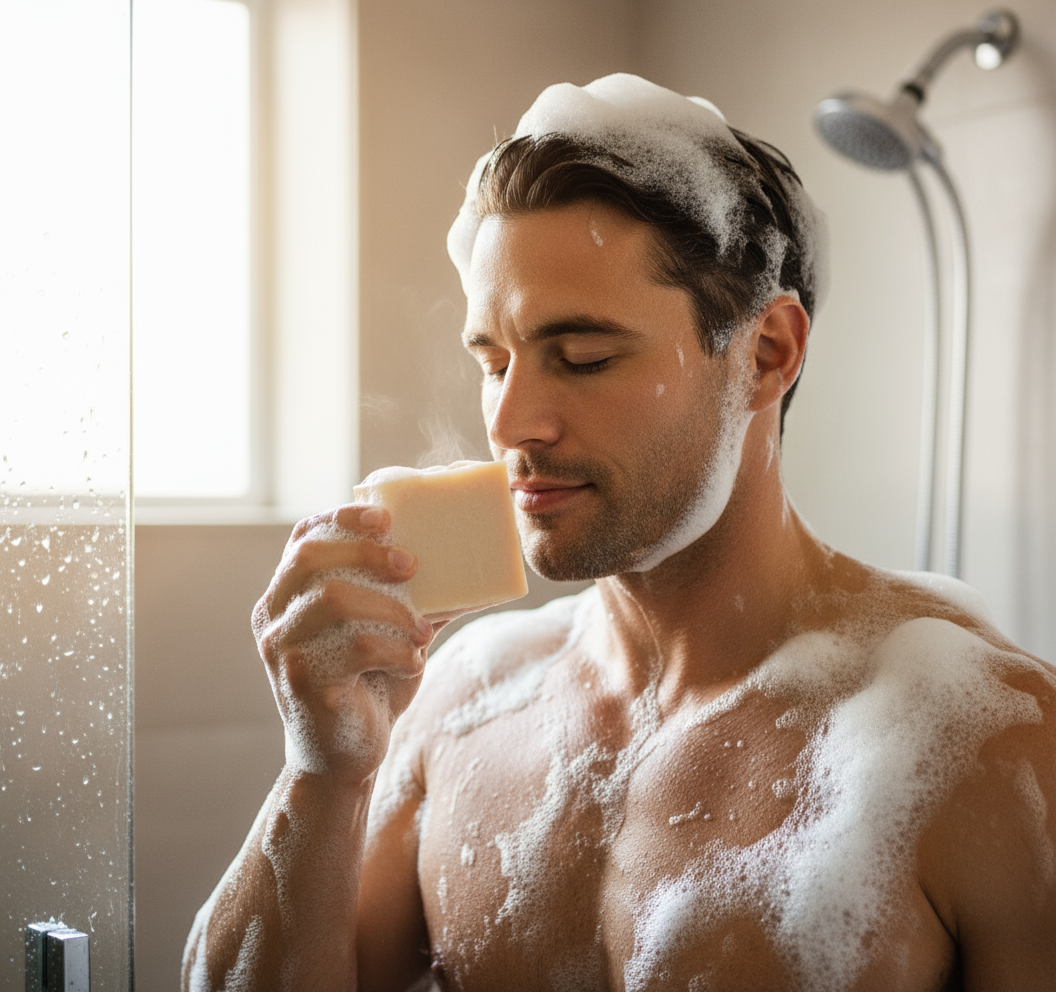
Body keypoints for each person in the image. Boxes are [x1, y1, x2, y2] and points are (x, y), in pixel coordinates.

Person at [183, 74, 1056, 991]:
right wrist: (322, 772)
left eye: (584, 357)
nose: (513, 420)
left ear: (766, 354)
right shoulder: (466, 702)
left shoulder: (991, 749)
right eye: (494, 362)